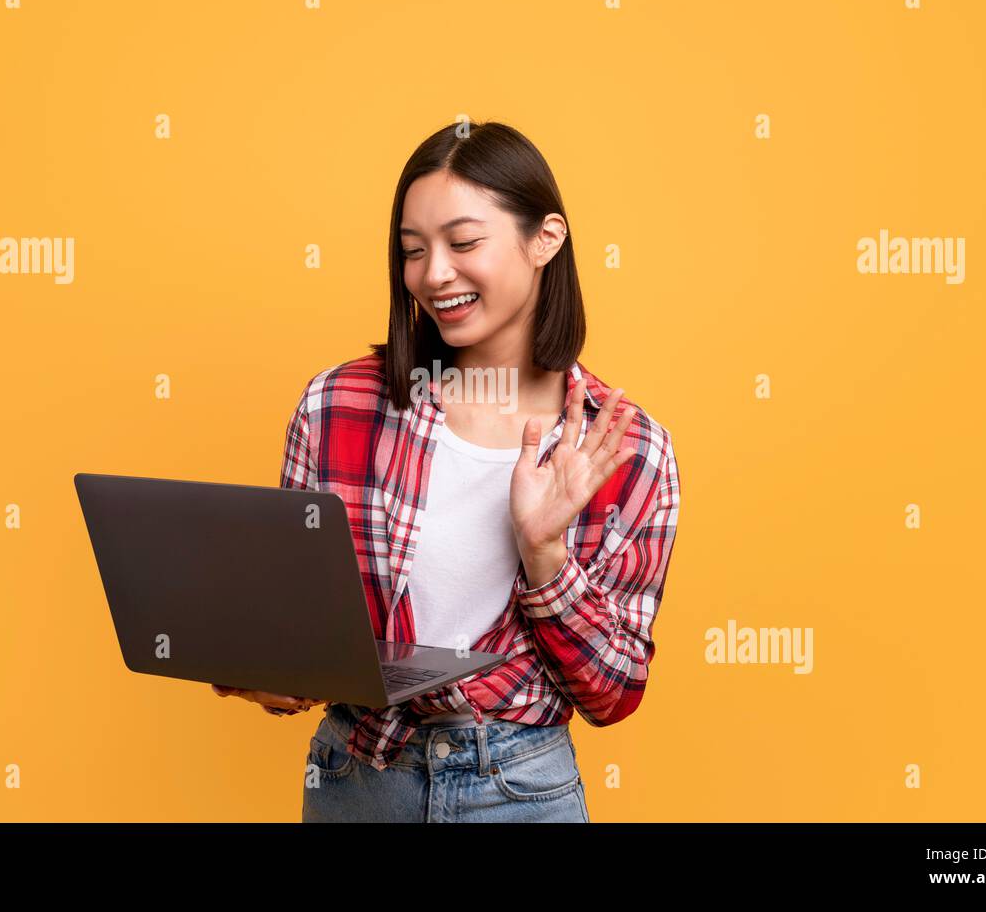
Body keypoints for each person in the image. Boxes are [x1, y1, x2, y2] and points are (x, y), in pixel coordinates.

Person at [213, 120, 681, 822]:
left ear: (544, 239)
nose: (433, 274)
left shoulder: (630, 448)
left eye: (463, 243)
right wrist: (268, 673)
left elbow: (613, 694)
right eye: (413, 251)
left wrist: (544, 553)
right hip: (357, 781)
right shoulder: (338, 405)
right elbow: (296, 621)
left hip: (521, 793)